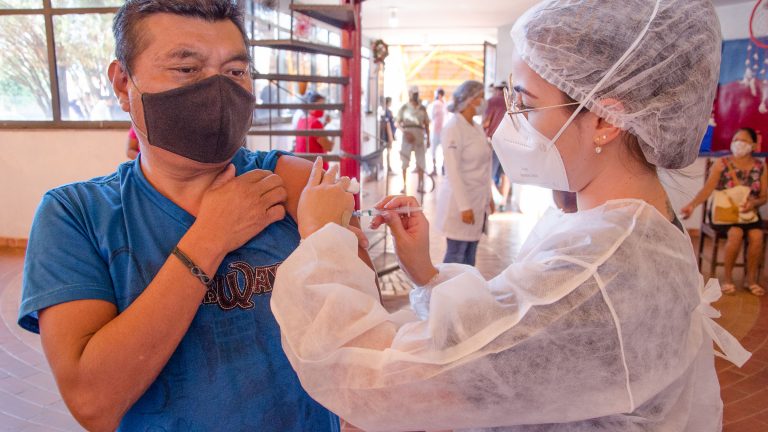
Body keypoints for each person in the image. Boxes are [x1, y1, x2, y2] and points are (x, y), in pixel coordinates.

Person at [270, 1, 751, 431]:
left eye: (526, 103)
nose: (509, 120)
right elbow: (510, 335)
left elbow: (379, 381)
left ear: (606, 121)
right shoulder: (620, 230)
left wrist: (322, 240)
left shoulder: (600, 269)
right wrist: (428, 274)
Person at [17, 1, 372, 430]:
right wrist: (211, 236)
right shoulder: (76, 216)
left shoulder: (295, 184)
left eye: (235, 71)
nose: (217, 90)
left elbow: (364, 354)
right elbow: (94, 401)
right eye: (186, 69)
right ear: (123, 83)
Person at [681, 127, 767, 296]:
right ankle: (727, 279)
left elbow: (764, 196)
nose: (738, 144)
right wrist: (692, 205)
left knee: (757, 236)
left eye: (743, 140)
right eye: (735, 140)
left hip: (748, 215)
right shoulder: (722, 164)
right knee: (735, 233)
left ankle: (751, 280)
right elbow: (707, 189)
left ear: (753, 145)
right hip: (724, 215)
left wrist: (754, 203)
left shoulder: (761, 167)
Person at [436, 80, 493, 266]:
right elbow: (452, 170)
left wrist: (489, 197)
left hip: (478, 198)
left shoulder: (476, 127)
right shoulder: (453, 128)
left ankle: (466, 286)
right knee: (456, 256)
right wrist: (464, 206)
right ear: (470, 100)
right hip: (460, 202)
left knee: (470, 256)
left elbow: (485, 166)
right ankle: (449, 286)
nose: (484, 102)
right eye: (480, 97)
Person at [484, 81, 512, 211]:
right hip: (510, 144)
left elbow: (486, 122)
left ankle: (493, 202)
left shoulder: (492, 101)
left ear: (496, 89)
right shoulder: (512, 101)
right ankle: (503, 203)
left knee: (488, 174)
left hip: (494, 142)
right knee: (505, 174)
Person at [397, 86, 430, 193]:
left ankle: (421, 185)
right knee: (404, 161)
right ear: (410, 94)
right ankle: (404, 185)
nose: (415, 95)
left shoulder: (422, 108)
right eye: (413, 93)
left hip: (419, 137)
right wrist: (405, 132)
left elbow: (426, 124)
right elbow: (397, 123)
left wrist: (428, 139)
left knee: (421, 162)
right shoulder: (404, 108)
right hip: (407, 137)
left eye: (416, 93)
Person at [295, 91, 334, 170]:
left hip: (303, 166)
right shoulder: (315, 123)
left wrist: (324, 124)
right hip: (317, 169)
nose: (323, 109)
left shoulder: (301, 120)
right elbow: (328, 147)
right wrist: (334, 135)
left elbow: (313, 136)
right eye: (320, 105)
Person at [428, 88, 447, 175]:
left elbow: (431, 116)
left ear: (439, 94)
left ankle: (436, 168)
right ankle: (442, 167)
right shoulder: (444, 105)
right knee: (443, 150)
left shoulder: (436, 104)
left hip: (437, 130)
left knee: (434, 150)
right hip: (442, 131)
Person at [380, 96, 397, 175]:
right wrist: (390, 136)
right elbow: (388, 124)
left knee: (388, 152)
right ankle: (388, 168)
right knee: (388, 152)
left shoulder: (388, 111)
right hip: (387, 135)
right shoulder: (386, 112)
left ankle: (388, 167)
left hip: (389, 134)